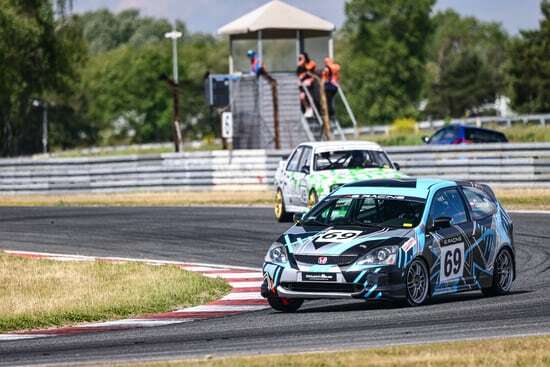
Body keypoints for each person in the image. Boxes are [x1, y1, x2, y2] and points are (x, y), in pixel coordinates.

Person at [296, 52, 317, 118]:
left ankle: (311, 110)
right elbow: (299, 74)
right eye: (300, 58)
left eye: (302, 57)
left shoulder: (311, 63)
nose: (300, 59)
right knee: (301, 97)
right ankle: (307, 109)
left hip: (309, 82)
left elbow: (311, 72)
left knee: (307, 96)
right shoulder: (300, 65)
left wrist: (310, 80)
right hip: (302, 83)